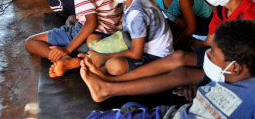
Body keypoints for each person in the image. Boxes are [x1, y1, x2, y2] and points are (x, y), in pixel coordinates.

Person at [78, 0, 255, 103]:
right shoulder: (222, 9)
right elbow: (209, 44)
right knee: (178, 57)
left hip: (234, 69)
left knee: (180, 74)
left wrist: (201, 81)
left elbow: (246, 69)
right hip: (217, 56)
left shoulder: (249, 18)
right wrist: (188, 50)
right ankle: (112, 81)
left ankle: (109, 88)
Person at [84, 19, 255, 119]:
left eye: (213, 55)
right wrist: (196, 91)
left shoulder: (250, 97)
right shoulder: (224, 77)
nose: (207, 57)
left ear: (235, 68)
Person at [84, 0, 173, 76]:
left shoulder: (138, 13)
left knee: (114, 66)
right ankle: (95, 65)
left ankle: (96, 68)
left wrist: (104, 57)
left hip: (155, 58)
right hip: (136, 45)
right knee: (92, 38)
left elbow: (136, 54)